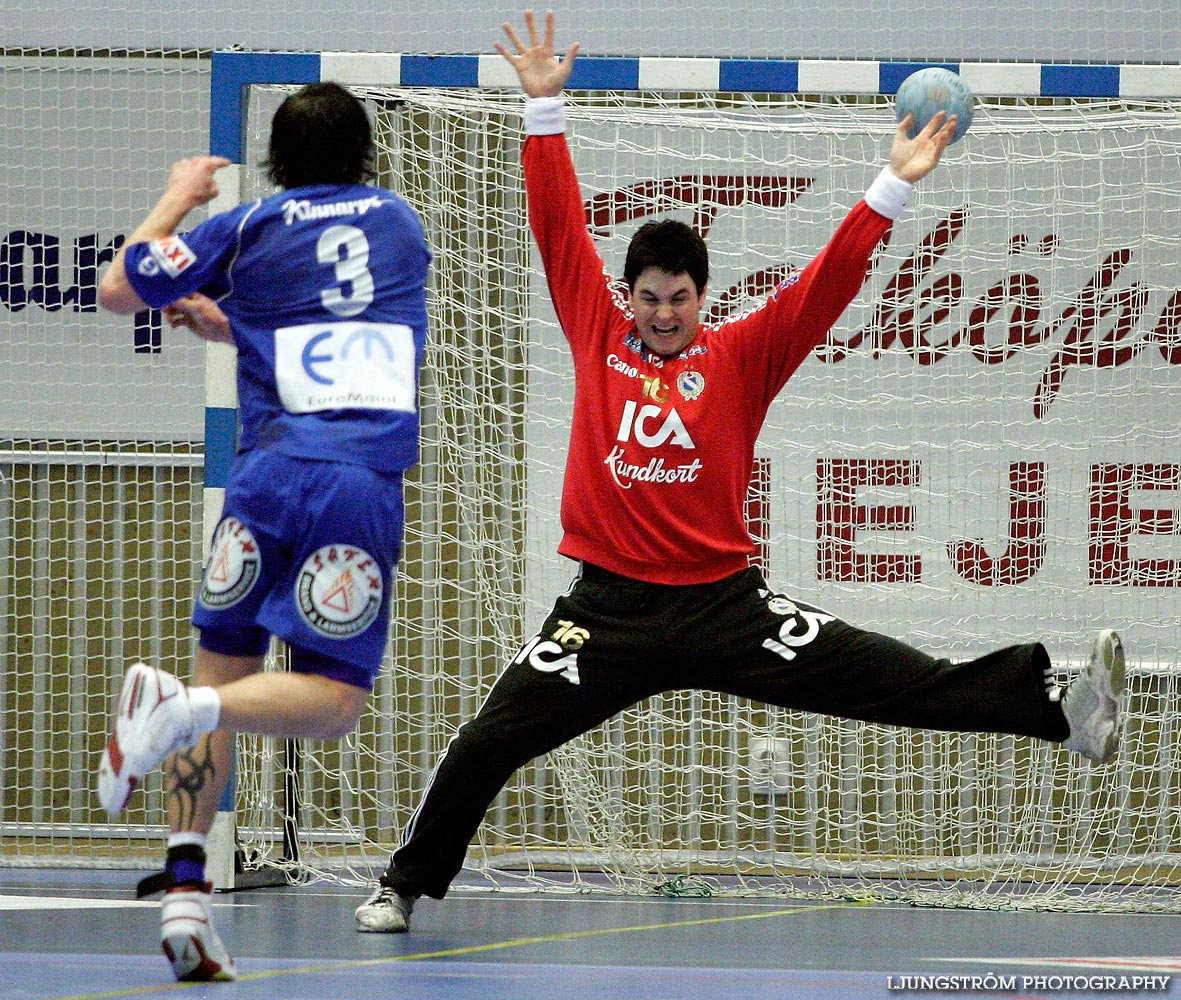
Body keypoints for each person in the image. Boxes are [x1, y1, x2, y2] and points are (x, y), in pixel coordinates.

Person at [354, 11, 1126, 934]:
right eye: (649, 297)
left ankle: (1063, 714)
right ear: (627, 297)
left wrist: (891, 186)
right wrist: (543, 110)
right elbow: (558, 228)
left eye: (679, 298)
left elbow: (825, 284)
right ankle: (401, 882)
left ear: (701, 298)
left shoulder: (743, 355)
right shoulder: (597, 332)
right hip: (605, 614)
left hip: (726, 608)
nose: (664, 312)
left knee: (900, 679)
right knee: (489, 739)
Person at [95, 80, 431, 980]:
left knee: (220, 673)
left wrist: (181, 195)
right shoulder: (401, 224)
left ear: (276, 162)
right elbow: (348, 339)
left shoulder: (244, 228)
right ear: (365, 154)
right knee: (331, 701)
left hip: (264, 478)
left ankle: (186, 897)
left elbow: (119, 287)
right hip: (352, 487)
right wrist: (244, 326)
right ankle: (177, 710)